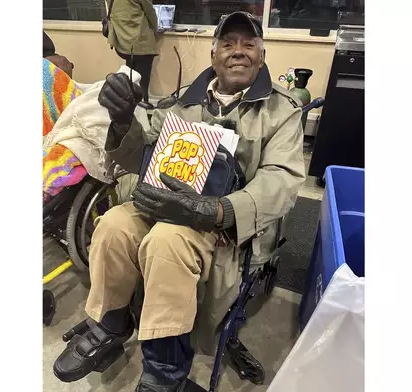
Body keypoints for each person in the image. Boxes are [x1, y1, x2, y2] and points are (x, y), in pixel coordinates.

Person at [53, 11, 306, 392]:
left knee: (166, 243)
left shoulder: (281, 112)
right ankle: (111, 321)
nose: (238, 51)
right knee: (114, 225)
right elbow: (142, 154)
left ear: (262, 55)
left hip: (223, 224)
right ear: (213, 53)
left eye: (248, 44)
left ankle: (165, 371)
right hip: (167, 205)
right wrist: (123, 122)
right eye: (228, 43)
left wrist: (219, 210)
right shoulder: (184, 102)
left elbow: (281, 180)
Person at [106, 0, 158, 103]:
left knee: (131, 80)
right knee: (142, 83)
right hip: (141, 43)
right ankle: (143, 111)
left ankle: (130, 111)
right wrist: (155, 28)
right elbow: (150, 11)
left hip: (122, 43)